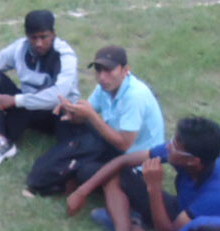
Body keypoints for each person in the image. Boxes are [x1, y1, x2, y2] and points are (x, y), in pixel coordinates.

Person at [68, 117, 220, 231]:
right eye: (173, 141)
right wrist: (81, 192)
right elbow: (124, 161)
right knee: (115, 174)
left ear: (194, 161)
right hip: (183, 210)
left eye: (175, 146)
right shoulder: (187, 155)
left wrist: (154, 188)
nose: (169, 147)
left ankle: (129, 223)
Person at [26, 45, 164, 194]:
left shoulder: (135, 97)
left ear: (125, 70)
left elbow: (124, 144)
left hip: (133, 163)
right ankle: (68, 162)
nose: (102, 77)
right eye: (98, 70)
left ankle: (69, 171)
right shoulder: (105, 87)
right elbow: (85, 114)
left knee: (86, 171)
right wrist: (71, 110)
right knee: (64, 120)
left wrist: (91, 115)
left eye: (109, 70)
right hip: (112, 144)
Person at [0, 10, 80, 167]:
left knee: (67, 148)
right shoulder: (20, 48)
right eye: (34, 38)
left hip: (57, 114)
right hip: (28, 106)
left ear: (54, 34)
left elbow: (57, 96)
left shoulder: (65, 55)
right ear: (27, 36)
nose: (39, 43)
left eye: (44, 37)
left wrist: (15, 100)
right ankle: (0, 141)